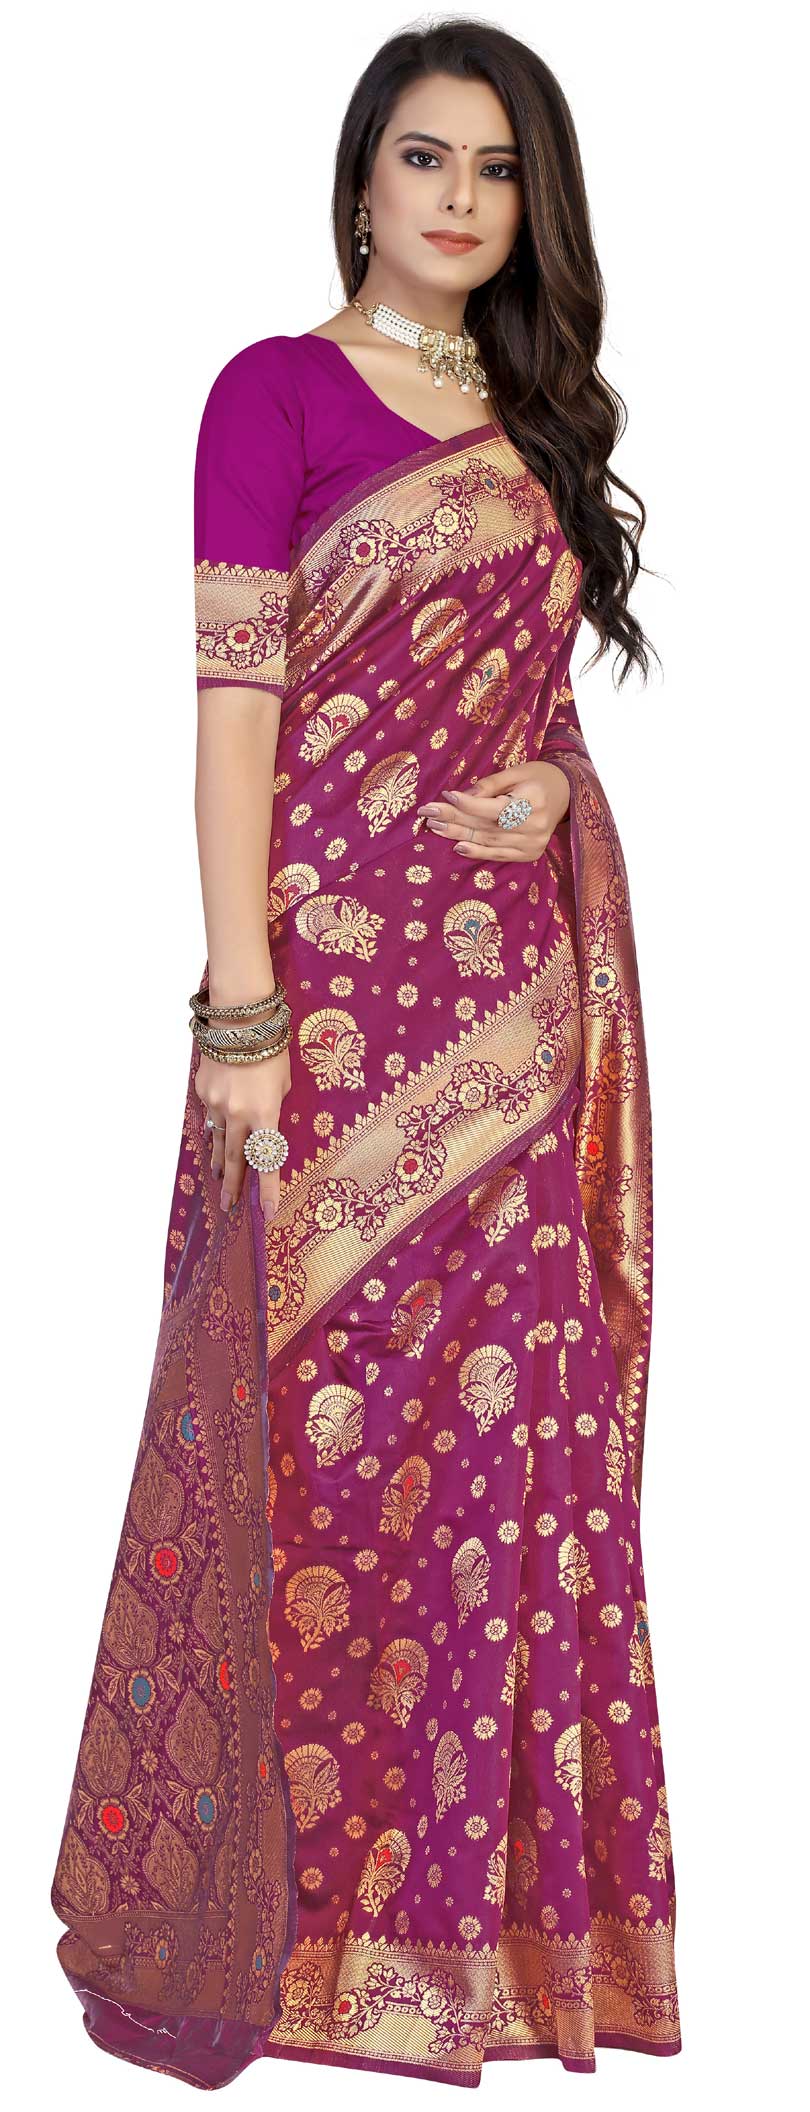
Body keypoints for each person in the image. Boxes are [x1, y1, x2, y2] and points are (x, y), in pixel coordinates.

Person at [51, 18, 681, 2089]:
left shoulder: (539, 422)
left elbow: (532, 718)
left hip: (509, 1031)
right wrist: (240, 1013)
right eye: (425, 158)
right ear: (359, 183)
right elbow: (234, 717)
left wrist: (555, 794)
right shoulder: (275, 392)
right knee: (306, 1458)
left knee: (500, 1477)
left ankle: (461, 1951)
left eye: (496, 169)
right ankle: (284, 1931)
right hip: (323, 1019)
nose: (460, 199)